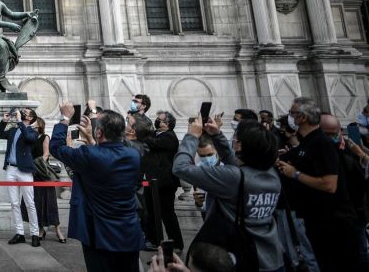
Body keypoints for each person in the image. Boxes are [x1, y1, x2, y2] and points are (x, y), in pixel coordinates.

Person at [174, 117, 283, 272]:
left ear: (242, 147)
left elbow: (180, 168)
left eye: (236, 140)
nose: (233, 142)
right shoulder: (271, 173)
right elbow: (234, 161)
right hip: (271, 255)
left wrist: (191, 136)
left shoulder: (233, 177)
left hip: (243, 256)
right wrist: (217, 135)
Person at [50, 103, 143, 272]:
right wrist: (93, 140)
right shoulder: (133, 155)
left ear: (99, 132)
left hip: (100, 232)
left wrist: (64, 119)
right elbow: (107, 157)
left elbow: (56, 148)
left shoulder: (89, 155)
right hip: (128, 229)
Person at [276, 97, 360, 272]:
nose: (290, 117)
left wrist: (295, 174)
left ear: (302, 117)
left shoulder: (322, 143)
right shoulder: (306, 143)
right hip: (316, 220)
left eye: (292, 113)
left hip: (335, 224)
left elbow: (329, 184)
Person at [321, 112, 368, 267]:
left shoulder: (350, 150)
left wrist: (362, 155)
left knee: (360, 252)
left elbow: (361, 180)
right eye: (327, 134)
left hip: (355, 211)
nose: (333, 137)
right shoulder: (320, 153)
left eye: (335, 132)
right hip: (334, 214)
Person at [0, 107, 40, 246]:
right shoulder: (14, 130)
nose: (21, 112)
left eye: (25, 112)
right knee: (14, 203)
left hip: (24, 171)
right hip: (10, 169)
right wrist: (4, 121)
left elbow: (28, 138)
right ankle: (19, 233)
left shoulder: (33, 132)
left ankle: (35, 234)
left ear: (30, 118)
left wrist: (20, 122)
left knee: (30, 203)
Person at [146, 111, 183, 252]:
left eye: (160, 120)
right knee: (152, 212)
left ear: (167, 124)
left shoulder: (169, 137)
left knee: (167, 213)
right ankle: (154, 241)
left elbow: (154, 144)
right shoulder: (156, 135)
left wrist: (145, 133)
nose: (157, 122)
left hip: (165, 182)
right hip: (152, 181)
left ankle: (177, 243)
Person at [29, 115, 65, 243]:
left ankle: (57, 230)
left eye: (34, 123)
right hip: (33, 174)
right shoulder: (30, 138)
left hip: (43, 173)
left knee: (50, 202)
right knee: (37, 202)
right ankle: (41, 230)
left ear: (39, 125)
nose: (32, 125)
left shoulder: (45, 137)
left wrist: (36, 164)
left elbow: (46, 154)